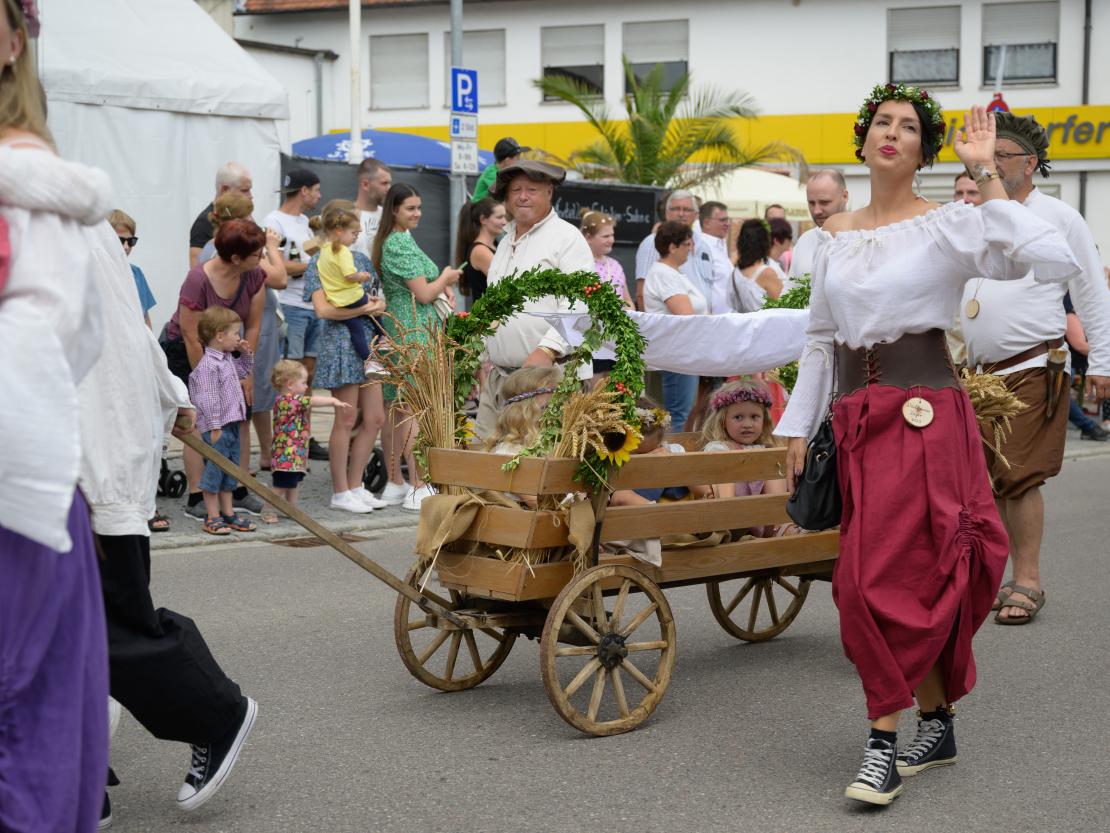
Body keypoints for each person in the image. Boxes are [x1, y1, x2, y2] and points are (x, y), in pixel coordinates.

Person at [777, 86, 1078, 806]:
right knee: (865, 580)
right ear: (862, 139)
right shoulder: (831, 235)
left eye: (909, 127)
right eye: (882, 122)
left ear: (924, 150)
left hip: (926, 419)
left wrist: (992, 176)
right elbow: (820, 339)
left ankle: (883, 741)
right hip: (856, 425)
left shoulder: (950, 224)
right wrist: (796, 424)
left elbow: (1052, 256)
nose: (893, 133)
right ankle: (934, 721)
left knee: (910, 575)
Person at [73, 216, 259, 822]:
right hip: (64, 462)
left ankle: (214, 712)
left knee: (108, 628)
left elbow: (118, 331)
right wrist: (172, 394)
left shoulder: (53, 213)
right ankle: (73, 773)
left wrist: (171, 396)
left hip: (80, 468)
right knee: (55, 636)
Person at [0, 2, 109, 825]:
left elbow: (55, 337)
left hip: (14, 488)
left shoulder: (34, 184)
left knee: (21, 714)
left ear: (13, 40)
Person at [957, 112, 1110, 625]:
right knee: (995, 479)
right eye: (988, 155)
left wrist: (1104, 361)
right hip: (979, 374)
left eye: (1001, 156)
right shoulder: (979, 213)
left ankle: (1028, 580)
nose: (991, 164)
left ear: (1031, 162)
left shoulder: (1060, 217)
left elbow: (1090, 291)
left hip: (1033, 366)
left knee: (1020, 478)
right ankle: (1002, 574)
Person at [161, 218, 273, 522]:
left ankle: (236, 487)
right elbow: (190, 334)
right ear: (236, 258)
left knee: (237, 417)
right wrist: (209, 384)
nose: (262, 259)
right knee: (200, 421)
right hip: (189, 353)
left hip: (228, 352)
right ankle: (197, 496)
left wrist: (244, 374)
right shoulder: (198, 280)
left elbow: (252, 325)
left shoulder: (254, 277)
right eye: (257, 254)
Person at [476, 159, 595, 439]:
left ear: (549, 193)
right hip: (499, 379)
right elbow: (495, 306)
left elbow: (580, 304)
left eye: (532, 189)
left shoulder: (567, 238)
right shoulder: (505, 242)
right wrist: (481, 353)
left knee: (538, 470)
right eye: (516, 190)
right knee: (480, 461)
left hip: (549, 380)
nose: (523, 196)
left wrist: (548, 350)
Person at [373, 183, 462, 511]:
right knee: (412, 408)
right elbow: (423, 294)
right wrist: (446, 279)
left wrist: (439, 287)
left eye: (419, 207)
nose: (418, 213)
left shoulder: (396, 240)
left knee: (397, 408)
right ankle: (417, 484)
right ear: (394, 210)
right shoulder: (398, 242)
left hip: (405, 325)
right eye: (411, 207)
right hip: (412, 328)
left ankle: (396, 482)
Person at [303, 202, 389, 514]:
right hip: (339, 343)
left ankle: (356, 485)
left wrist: (372, 308)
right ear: (339, 230)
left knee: (375, 418)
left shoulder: (362, 258)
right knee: (346, 417)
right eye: (353, 229)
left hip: (368, 341)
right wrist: (364, 309)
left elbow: (379, 301)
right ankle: (340, 490)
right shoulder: (318, 262)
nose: (356, 235)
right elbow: (323, 310)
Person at [188, 307, 258, 535]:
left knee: (231, 471)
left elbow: (243, 371)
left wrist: (246, 354)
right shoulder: (209, 366)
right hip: (218, 427)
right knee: (214, 471)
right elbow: (207, 400)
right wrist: (215, 426)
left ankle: (228, 512)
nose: (238, 338)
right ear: (220, 335)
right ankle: (212, 516)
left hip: (232, 424)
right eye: (235, 333)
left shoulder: (227, 359)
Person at [701, 380, 788, 538]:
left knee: (774, 464)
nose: (747, 424)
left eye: (754, 417)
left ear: (764, 420)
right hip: (729, 514)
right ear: (723, 421)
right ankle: (728, 521)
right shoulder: (720, 447)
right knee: (723, 461)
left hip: (761, 516)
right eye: (738, 417)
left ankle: (778, 522)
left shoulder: (765, 449)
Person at [643, 221, 707, 429]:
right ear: (673, 247)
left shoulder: (671, 273)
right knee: (675, 416)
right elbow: (685, 314)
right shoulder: (664, 274)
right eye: (686, 244)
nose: (690, 249)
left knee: (678, 414)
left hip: (680, 353)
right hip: (676, 354)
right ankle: (671, 458)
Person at [263, 168, 322, 388]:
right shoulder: (273, 222)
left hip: (314, 305)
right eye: (316, 190)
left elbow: (306, 255)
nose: (319, 195)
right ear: (304, 191)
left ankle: (302, 422)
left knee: (308, 374)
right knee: (290, 374)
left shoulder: (305, 221)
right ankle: (287, 421)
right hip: (291, 306)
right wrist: (312, 265)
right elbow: (273, 264)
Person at [318, 200, 388, 379]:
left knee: (356, 329)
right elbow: (350, 275)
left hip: (339, 300)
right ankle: (384, 337)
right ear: (339, 231)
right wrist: (362, 276)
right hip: (353, 296)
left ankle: (370, 361)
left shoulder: (324, 250)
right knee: (374, 311)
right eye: (354, 233)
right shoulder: (342, 251)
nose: (357, 237)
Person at [269, 359, 352, 507]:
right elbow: (312, 400)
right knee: (281, 486)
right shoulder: (289, 401)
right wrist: (333, 400)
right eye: (303, 382)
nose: (307, 386)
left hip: (294, 455)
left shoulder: (285, 400)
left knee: (293, 484)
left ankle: (292, 508)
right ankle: (268, 509)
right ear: (290, 384)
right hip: (287, 456)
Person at [634, 190, 712, 311]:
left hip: (703, 320)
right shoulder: (652, 242)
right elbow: (641, 294)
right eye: (676, 209)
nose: (681, 214)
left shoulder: (704, 246)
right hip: (673, 324)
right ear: (666, 212)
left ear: (696, 215)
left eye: (686, 210)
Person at [1062, 292, 1109, 440]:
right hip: (1070, 364)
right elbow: (1080, 345)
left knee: (1062, 398)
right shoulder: (1068, 308)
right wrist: (1102, 354)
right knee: (1062, 398)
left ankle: (1089, 426)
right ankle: (1089, 426)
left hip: (1074, 364)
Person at [189, 162, 252, 267]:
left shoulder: (245, 217)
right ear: (225, 190)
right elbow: (197, 270)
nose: (250, 196)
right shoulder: (204, 222)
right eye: (244, 190)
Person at [789, 170, 849, 280]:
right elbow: (790, 289)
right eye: (811, 203)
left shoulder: (864, 238)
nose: (816, 211)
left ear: (844, 197)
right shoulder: (805, 240)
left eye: (824, 202)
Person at [110, 209, 156, 329]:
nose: (126, 247)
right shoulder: (95, 274)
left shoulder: (136, 274)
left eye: (131, 241)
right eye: (120, 241)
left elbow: (145, 317)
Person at [455, 197, 506, 304]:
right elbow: (506, 282)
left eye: (505, 217)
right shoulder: (480, 251)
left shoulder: (494, 245)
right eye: (499, 217)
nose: (504, 222)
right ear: (483, 219)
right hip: (487, 317)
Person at [581, 209, 633, 308]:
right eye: (606, 236)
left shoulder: (615, 265)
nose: (611, 240)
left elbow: (627, 300)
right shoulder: (579, 265)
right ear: (588, 237)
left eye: (612, 235)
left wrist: (628, 312)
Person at [730, 219, 783, 312]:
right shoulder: (766, 273)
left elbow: (731, 303)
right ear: (765, 243)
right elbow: (785, 307)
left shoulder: (734, 273)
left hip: (744, 324)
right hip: (765, 325)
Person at [696, 200, 735, 314]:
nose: (728, 223)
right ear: (707, 223)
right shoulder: (701, 248)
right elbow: (701, 288)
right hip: (714, 322)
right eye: (723, 220)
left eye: (728, 219)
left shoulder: (720, 245)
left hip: (728, 319)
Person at [350, 157, 392, 260]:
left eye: (390, 183)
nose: (389, 188)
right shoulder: (342, 216)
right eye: (384, 183)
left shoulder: (391, 217)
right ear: (365, 185)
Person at [472, 136, 529, 202]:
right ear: (508, 161)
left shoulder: (504, 172)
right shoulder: (492, 174)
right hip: (480, 210)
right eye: (518, 158)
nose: (521, 160)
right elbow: (509, 192)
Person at [768, 217, 794, 284]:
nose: (791, 241)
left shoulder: (773, 263)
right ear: (776, 240)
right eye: (789, 237)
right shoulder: (770, 267)